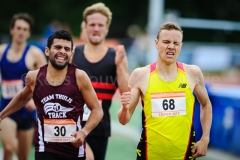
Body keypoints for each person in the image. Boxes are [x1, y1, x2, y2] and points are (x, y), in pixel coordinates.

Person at [0, 30, 104, 160]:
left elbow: (97, 110)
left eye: (67, 49)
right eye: (58, 47)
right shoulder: (34, 77)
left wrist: (84, 132)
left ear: (71, 54)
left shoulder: (80, 77)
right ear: (47, 51)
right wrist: (1, 116)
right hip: (45, 148)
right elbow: (22, 97)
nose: (62, 51)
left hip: (73, 149)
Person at [118, 22, 212, 160]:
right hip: (150, 155)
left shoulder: (193, 73)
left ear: (181, 46)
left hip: (184, 154)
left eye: (176, 43)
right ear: (156, 44)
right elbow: (124, 120)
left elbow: (206, 105)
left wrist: (205, 138)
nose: (171, 47)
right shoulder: (141, 75)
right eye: (166, 42)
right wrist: (125, 109)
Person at [72, 3, 128, 160]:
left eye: (100, 25)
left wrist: (119, 65)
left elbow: (126, 94)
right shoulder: (73, 53)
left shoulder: (116, 56)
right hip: (72, 123)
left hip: (100, 127)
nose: (96, 29)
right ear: (86, 27)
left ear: (107, 29)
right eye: (92, 25)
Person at [0, 13, 47, 160]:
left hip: (27, 111)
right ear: (12, 30)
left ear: (29, 33)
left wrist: (35, 100)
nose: (21, 32)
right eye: (18, 28)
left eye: (25, 29)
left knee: (22, 157)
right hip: (6, 108)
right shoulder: (1, 51)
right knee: (8, 148)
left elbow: (45, 81)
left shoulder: (35, 54)